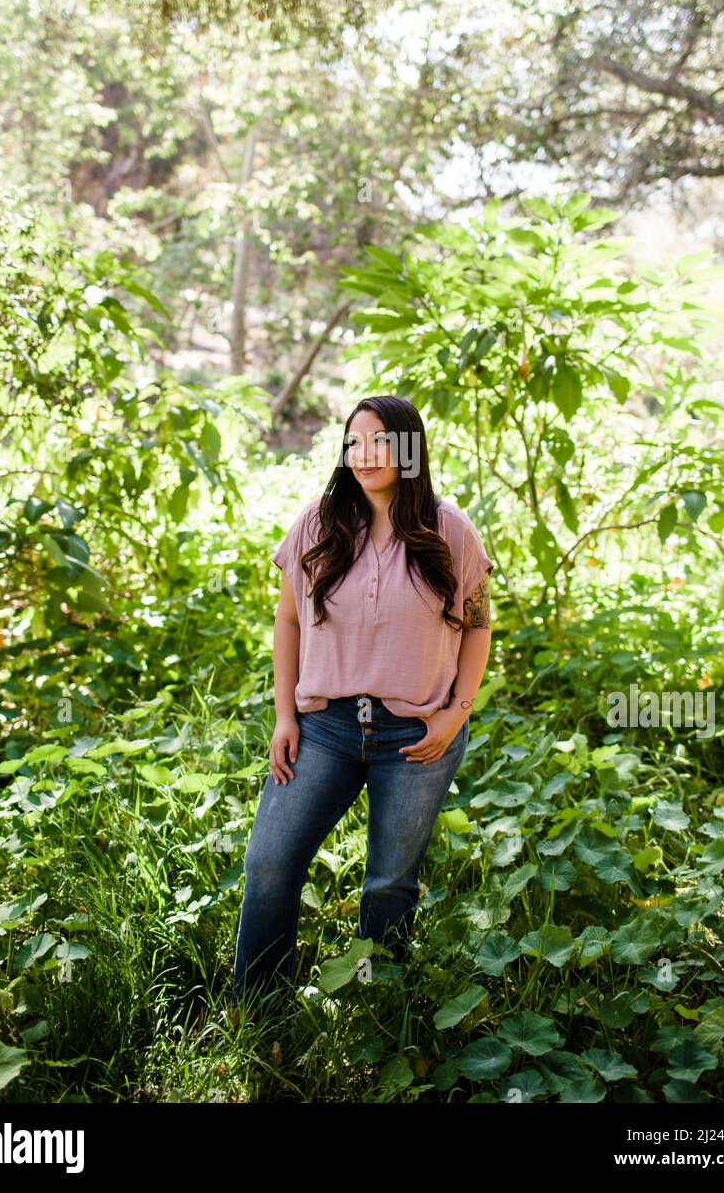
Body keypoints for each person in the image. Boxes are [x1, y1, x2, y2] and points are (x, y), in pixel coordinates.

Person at [231, 394, 493, 1010]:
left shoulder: (449, 530)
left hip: (416, 734)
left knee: (390, 882)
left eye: (379, 441)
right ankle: (259, 1008)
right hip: (325, 727)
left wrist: (457, 711)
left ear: (409, 449)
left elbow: (478, 626)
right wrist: (284, 716)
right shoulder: (316, 526)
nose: (364, 455)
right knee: (269, 861)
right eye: (353, 443)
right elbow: (288, 622)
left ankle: (378, 1009)